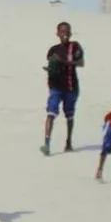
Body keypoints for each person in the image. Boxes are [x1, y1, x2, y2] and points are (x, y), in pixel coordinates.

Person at [42, 22, 84, 155]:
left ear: (70, 33)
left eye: (67, 31)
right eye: (62, 31)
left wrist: (65, 62)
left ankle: (69, 142)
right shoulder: (53, 49)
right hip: (56, 87)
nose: (65, 34)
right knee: (51, 113)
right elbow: (51, 65)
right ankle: (47, 144)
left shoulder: (75, 46)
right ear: (58, 33)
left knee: (69, 114)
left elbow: (81, 62)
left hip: (71, 87)